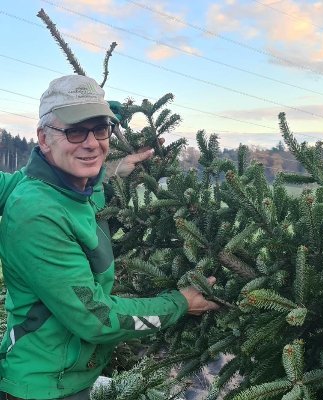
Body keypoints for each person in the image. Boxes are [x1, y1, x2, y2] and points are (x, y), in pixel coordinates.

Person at [0, 75, 219, 400]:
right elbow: (97, 320)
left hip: (69, 376)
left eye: (100, 129)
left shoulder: (72, 185)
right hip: (43, 386)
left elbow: (87, 198)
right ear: (44, 140)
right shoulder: (37, 213)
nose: (91, 143)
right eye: (74, 131)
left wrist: (115, 168)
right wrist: (180, 303)